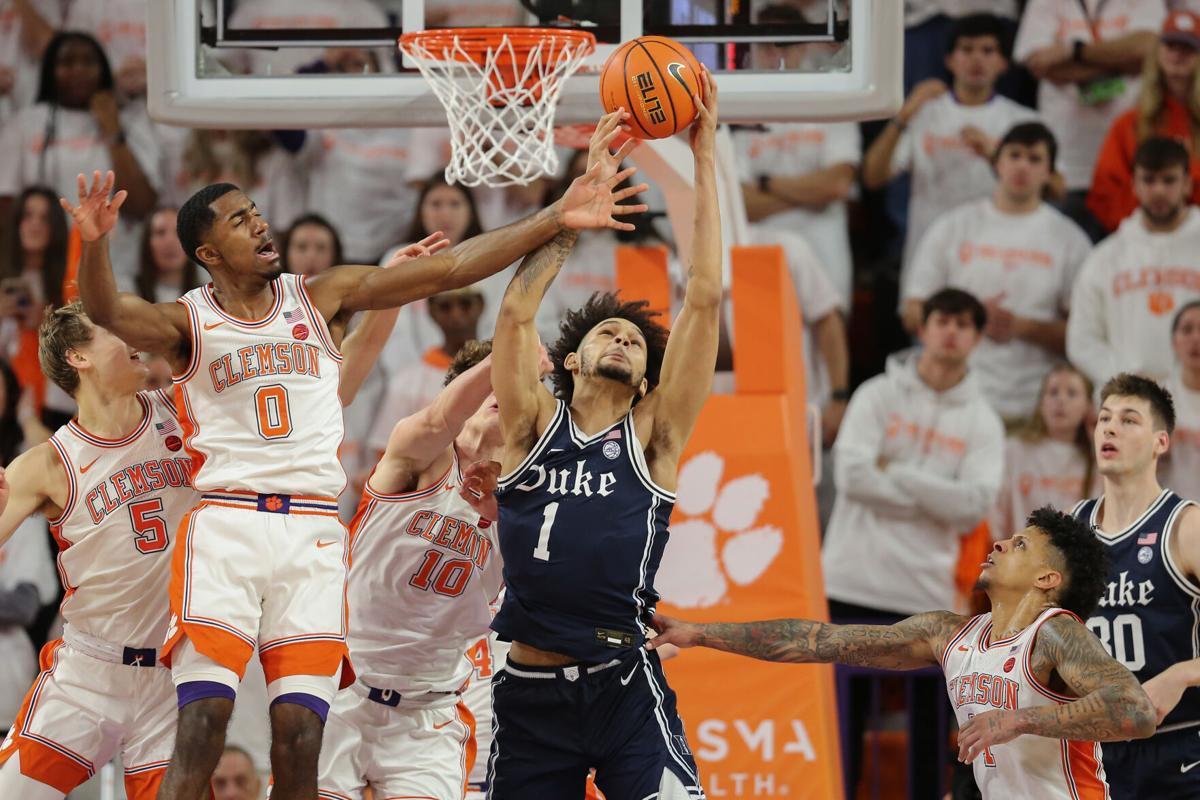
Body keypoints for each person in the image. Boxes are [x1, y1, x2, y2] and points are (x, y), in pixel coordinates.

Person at [70, 132, 645, 797]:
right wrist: (93, 243)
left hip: (312, 533)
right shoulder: (186, 322)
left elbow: (450, 269)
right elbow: (108, 309)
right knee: (202, 718)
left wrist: (555, 216)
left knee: (300, 737)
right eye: (238, 219)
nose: (259, 220)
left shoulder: (322, 295)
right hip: (227, 525)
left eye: (257, 209)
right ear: (207, 253)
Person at [475, 73, 718, 800]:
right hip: (528, 693)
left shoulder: (656, 439)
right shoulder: (525, 428)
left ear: (645, 383)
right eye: (607, 332)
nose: (623, 339)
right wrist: (571, 218)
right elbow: (517, 319)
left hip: (622, 686)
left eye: (638, 344)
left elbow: (704, 297)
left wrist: (704, 157)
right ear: (572, 360)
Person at [650, 507, 1158, 799]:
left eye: (1021, 545)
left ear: (1049, 580)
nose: (1000, 543)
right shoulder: (948, 633)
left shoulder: (1055, 633)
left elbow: (1135, 711)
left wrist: (1021, 720)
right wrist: (698, 632)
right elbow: (817, 641)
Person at [0, 302, 198, 799]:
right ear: (77, 357)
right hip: (89, 673)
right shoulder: (47, 464)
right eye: (114, 329)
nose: (134, 335)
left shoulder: (183, 412)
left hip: (174, 679)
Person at [821, 287, 1004, 796]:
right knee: (843, 721)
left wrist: (897, 471)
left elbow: (973, 505)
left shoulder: (983, 421)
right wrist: (934, 494)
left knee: (929, 734)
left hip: (924, 592)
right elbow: (853, 476)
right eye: (943, 320)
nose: (951, 332)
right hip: (851, 578)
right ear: (922, 327)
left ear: (977, 338)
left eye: (964, 324)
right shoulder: (877, 393)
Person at [318, 339, 506, 798]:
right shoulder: (423, 454)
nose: (511, 393)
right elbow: (440, 420)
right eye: (495, 385)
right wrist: (508, 355)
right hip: (343, 689)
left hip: (429, 713)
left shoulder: (528, 501)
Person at [901, 123, 1091, 421]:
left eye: (1034, 159)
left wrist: (1024, 327)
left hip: (1034, 406)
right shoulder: (953, 227)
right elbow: (912, 311)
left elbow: (1086, 335)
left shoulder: (1070, 241)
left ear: (1049, 172)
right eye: (1014, 155)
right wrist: (966, 320)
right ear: (997, 162)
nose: (1022, 166)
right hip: (956, 400)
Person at [1071, 373, 1200, 798]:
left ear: (1161, 442)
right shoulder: (1070, 530)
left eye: (1129, 420)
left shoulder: (1186, 526)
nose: (1110, 428)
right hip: (1094, 752)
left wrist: (1181, 674)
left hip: (1180, 744)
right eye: (1104, 418)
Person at [863, 12, 1040, 276]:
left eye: (988, 50)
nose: (976, 59)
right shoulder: (925, 115)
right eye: (966, 49)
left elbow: (1055, 189)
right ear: (949, 60)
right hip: (927, 254)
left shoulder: (1023, 122)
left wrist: (997, 156)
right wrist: (904, 113)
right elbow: (873, 177)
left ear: (1004, 63)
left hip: (995, 253)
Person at [0, 32, 159, 278]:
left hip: (113, 268)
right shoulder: (26, 123)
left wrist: (113, 130)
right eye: (67, 62)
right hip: (42, 271)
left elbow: (141, 205)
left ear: (103, 70)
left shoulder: (129, 122)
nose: (79, 70)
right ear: (50, 70)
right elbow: (6, 202)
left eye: (89, 62)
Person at [734, 3, 860, 303]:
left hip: (824, 255)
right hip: (762, 260)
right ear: (752, 48)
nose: (775, 53)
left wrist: (766, 184)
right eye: (766, 45)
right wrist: (809, 192)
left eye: (785, 43)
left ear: (803, 47)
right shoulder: (735, 112)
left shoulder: (833, 105)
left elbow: (836, 184)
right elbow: (739, 203)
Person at [1015, 0, 1165, 238]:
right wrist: (1122, 63)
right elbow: (1039, 63)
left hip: (1127, 165)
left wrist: (1074, 51)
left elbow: (1149, 47)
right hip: (1065, 163)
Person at [1067, 137, 1200, 386]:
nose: (1158, 190)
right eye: (1149, 180)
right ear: (1134, 186)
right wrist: (1128, 378)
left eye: (1169, 180)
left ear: (1187, 185)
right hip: (1128, 404)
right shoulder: (1105, 257)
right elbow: (1081, 340)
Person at [1089, 10, 1200, 232]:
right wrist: (1143, 228)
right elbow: (1105, 194)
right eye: (1171, 46)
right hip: (1139, 239)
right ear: (1157, 53)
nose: (1178, 55)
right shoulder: (1129, 124)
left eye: (1188, 48)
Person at [366, 285, 486, 460]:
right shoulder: (406, 383)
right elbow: (387, 455)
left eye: (465, 304)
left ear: (481, 305)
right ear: (431, 311)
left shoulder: (502, 370)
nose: (456, 314)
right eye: (445, 307)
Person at [991, 364, 1096, 539]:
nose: (1061, 400)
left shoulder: (1095, 459)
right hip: (1017, 556)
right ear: (1041, 403)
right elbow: (996, 512)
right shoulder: (1014, 450)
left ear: (1088, 406)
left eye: (1072, 393)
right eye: (1053, 392)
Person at [1165, 300, 1200, 499]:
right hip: (1170, 515)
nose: (1196, 338)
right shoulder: (1156, 398)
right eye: (1187, 330)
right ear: (1174, 342)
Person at [135, 206, 197, 304]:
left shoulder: (210, 297)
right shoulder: (129, 290)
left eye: (179, 233)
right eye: (160, 232)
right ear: (147, 242)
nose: (170, 242)